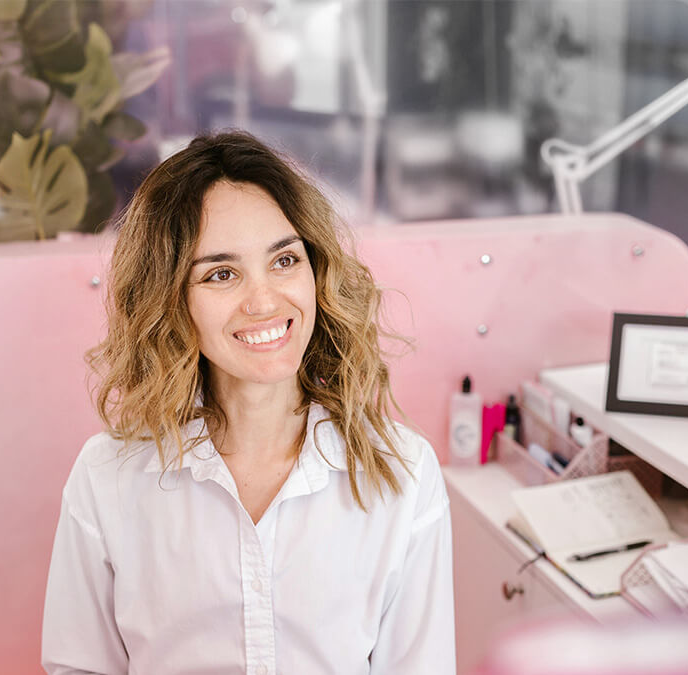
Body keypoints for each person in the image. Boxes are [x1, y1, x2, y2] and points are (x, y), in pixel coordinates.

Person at [42, 131, 455, 674]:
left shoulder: (402, 474)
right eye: (221, 273)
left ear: (316, 272)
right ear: (170, 300)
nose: (263, 301)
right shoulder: (108, 477)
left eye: (284, 260)